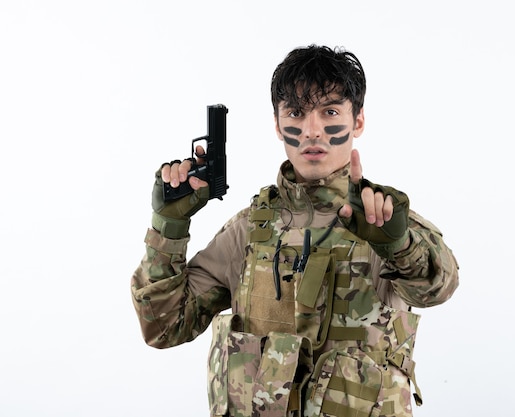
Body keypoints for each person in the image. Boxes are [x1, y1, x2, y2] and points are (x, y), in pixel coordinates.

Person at [132, 44, 459, 417]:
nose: (312, 131)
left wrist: (399, 245)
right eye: (296, 113)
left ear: (358, 122)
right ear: (277, 124)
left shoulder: (382, 221)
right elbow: (164, 326)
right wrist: (168, 228)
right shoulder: (249, 230)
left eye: (330, 112)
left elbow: (438, 287)